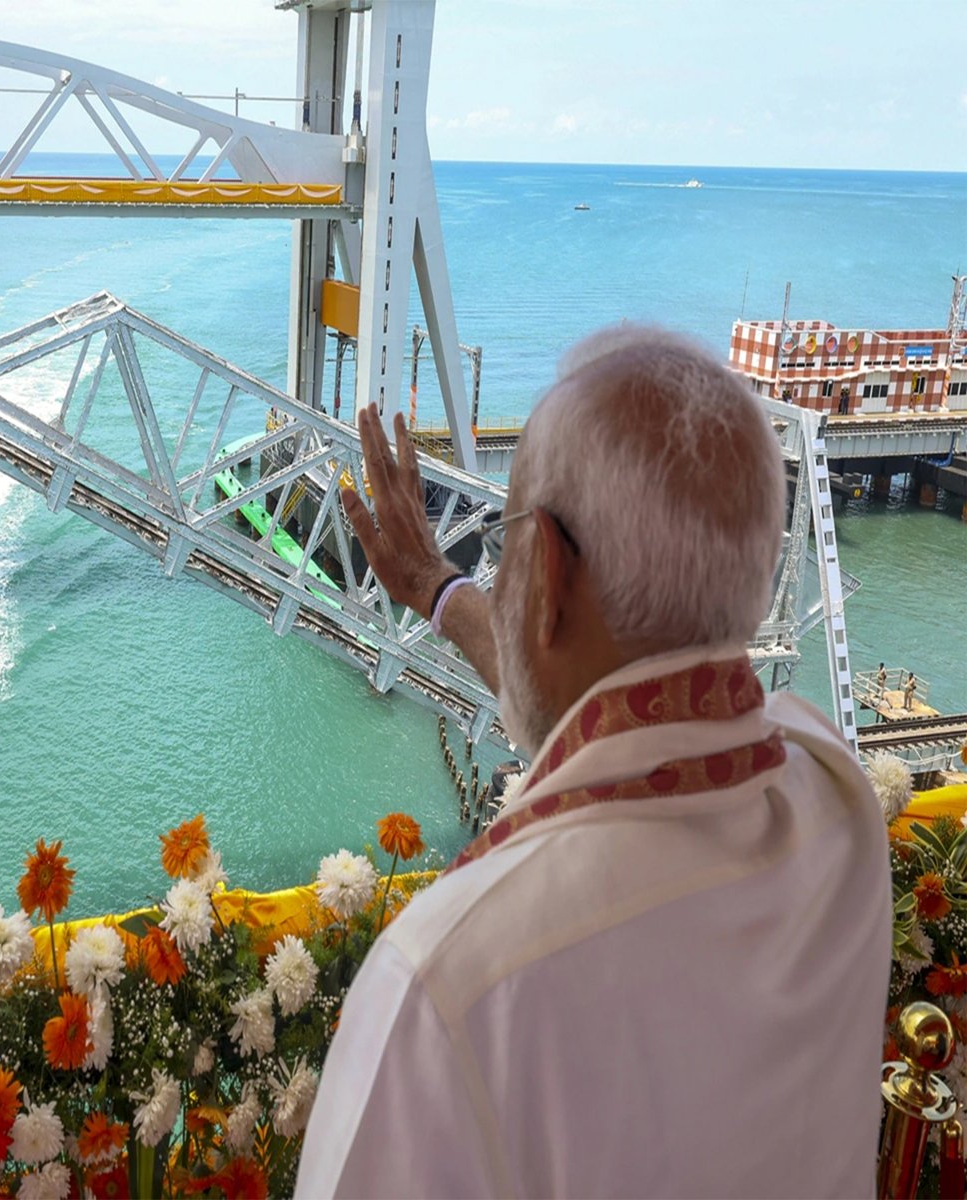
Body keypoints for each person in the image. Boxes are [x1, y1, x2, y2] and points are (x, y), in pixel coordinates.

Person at [298, 327, 889, 1196]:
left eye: (505, 546)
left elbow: (604, 723)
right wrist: (437, 585)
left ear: (545, 572)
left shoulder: (451, 985)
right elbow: (620, 723)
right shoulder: (836, 799)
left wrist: (441, 582)